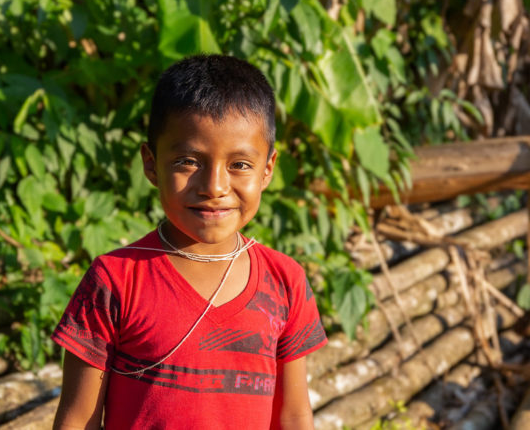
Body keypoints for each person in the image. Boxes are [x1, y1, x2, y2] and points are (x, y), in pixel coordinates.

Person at [51, 55, 327, 429]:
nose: (214, 187)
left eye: (239, 165)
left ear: (268, 169)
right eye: (188, 161)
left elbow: (293, 417)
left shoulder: (285, 281)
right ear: (150, 163)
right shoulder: (116, 280)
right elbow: (77, 421)